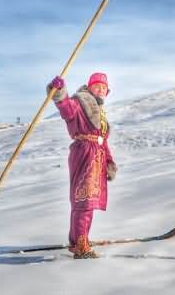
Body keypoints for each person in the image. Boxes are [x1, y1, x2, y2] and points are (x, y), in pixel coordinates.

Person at [46, 72, 118, 259]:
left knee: (89, 201)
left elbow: (103, 142)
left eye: (104, 88)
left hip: (97, 156)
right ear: (90, 86)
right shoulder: (81, 101)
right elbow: (67, 109)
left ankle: (79, 238)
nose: (101, 90)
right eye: (98, 86)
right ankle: (80, 245)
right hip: (84, 153)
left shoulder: (100, 112)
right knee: (84, 200)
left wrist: (109, 162)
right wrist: (59, 92)